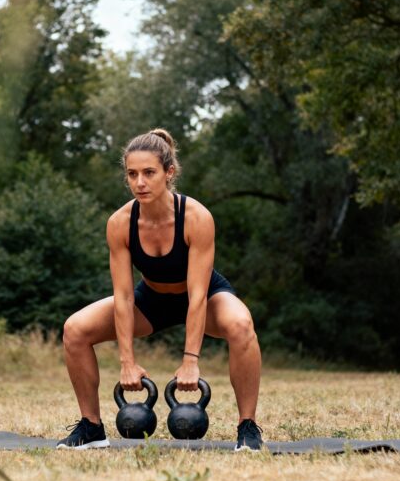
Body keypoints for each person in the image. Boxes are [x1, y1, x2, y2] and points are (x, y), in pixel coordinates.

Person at [57, 128, 263, 451]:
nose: (140, 182)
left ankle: (247, 427)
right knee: (75, 330)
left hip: (203, 296)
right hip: (150, 299)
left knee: (241, 325)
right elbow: (124, 297)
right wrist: (127, 361)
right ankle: (92, 427)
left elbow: (196, 297)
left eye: (149, 173)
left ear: (168, 173)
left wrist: (190, 360)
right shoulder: (119, 223)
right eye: (132, 174)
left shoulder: (196, 218)